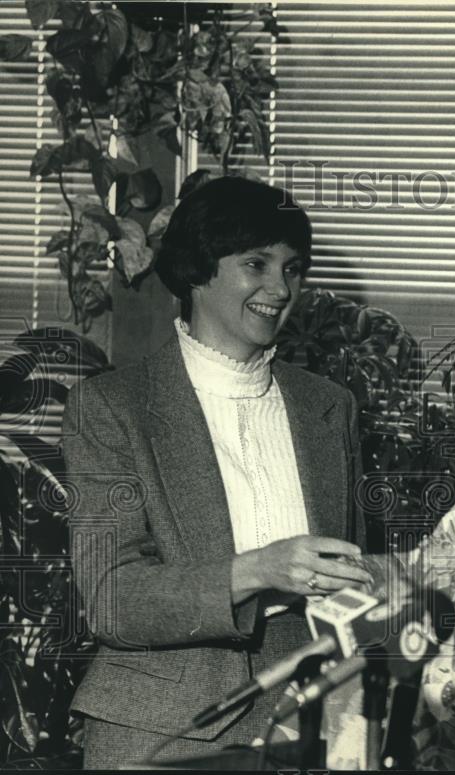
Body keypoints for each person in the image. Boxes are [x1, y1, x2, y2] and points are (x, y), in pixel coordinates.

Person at [63, 176, 372, 768]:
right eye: (256, 263)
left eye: (293, 268)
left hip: (313, 723)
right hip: (160, 728)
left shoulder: (329, 406)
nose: (279, 289)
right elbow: (113, 598)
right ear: (198, 269)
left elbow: (354, 578)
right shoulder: (111, 408)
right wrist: (258, 570)